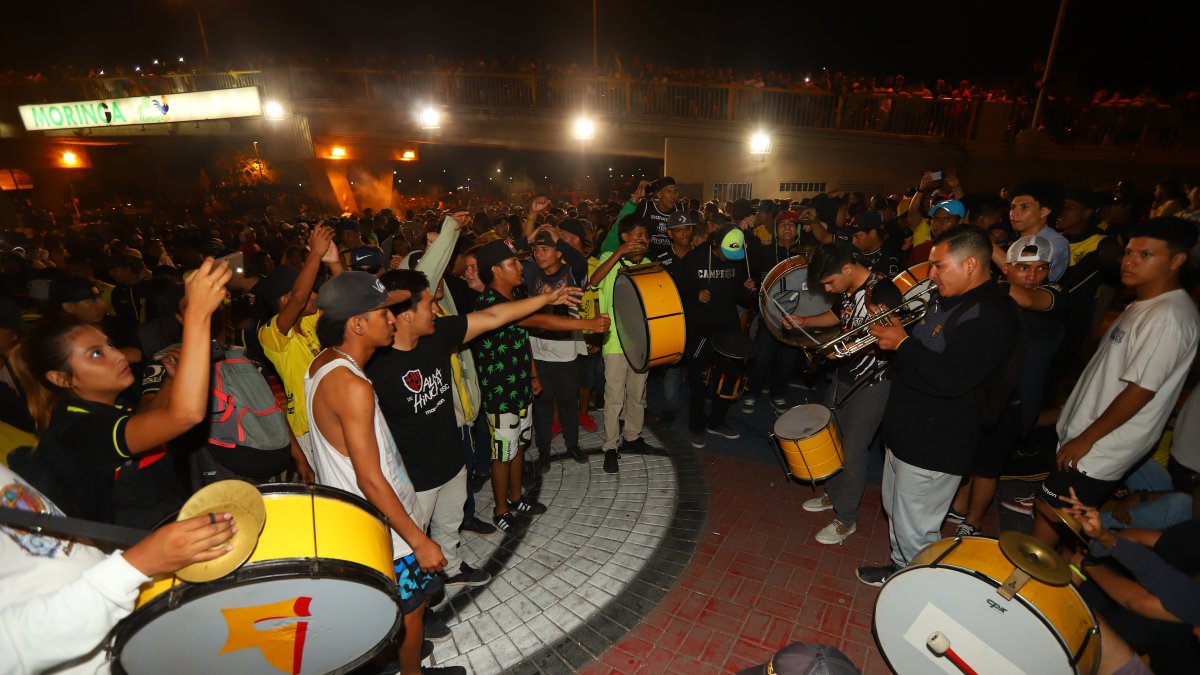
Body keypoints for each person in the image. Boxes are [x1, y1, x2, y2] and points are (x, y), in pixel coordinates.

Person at [370, 267, 579, 587]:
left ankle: (451, 568)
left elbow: (495, 316)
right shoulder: (374, 363)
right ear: (407, 315)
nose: (436, 309)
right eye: (428, 304)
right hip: (412, 478)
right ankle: (413, 598)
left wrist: (547, 299)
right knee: (406, 546)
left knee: (449, 524)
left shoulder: (438, 334)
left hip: (451, 461)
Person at [302, 272, 462, 675]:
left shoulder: (323, 363)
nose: (393, 319)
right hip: (384, 531)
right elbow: (369, 478)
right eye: (383, 313)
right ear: (357, 324)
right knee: (411, 613)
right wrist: (418, 541)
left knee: (390, 614)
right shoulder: (352, 385)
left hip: (360, 522)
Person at [10, 259, 233, 529]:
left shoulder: (105, 407)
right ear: (61, 378)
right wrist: (198, 318)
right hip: (139, 546)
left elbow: (147, 421)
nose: (117, 356)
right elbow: (184, 416)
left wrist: (170, 382)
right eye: (96, 354)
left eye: (109, 346)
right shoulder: (75, 429)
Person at [857, 225, 1019, 585]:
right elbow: (925, 355)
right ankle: (900, 568)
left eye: (939, 266)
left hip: (936, 444)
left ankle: (919, 592)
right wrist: (895, 336)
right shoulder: (949, 300)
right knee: (898, 513)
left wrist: (902, 344)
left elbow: (952, 379)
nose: (930, 274)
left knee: (917, 530)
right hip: (910, 433)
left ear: (971, 264)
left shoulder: (991, 315)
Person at [1030, 217, 1199, 547]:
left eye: (1145, 254)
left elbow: (1140, 391)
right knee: (1061, 521)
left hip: (1100, 447)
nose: (1129, 261)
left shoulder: (1168, 318)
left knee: (1049, 520)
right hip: (1091, 438)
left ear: (1176, 260)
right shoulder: (1146, 303)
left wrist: (1086, 440)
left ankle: (1025, 579)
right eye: (1129, 252)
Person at [1, 463, 236, 675]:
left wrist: (137, 566)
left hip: (130, 610)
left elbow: (60, 551)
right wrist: (137, 564)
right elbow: (10, 650)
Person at [787, 241, 903, 545]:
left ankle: (846, 518)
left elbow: (890, 338)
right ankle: (834, 494)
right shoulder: (849, 289)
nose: (828, 289)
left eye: (829, 282)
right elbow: (840, 316)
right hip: (845, 376)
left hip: (872, 381)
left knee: (853, 452)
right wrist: (806, 321)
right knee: (832, 438)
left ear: (848, 269)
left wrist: (848, 348)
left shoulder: (884, 291)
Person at [948, 235, 1064, 536]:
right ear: (1008, 269)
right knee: (971, 456)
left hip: (1015, 402)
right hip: (988, 396)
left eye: (1041, 268)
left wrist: (976, 270)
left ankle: (972, 523)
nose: (1033, 276)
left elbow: (1025, 300)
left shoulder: (1051, 302)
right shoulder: (998, 301)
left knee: (987, 466)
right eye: (1024, 268)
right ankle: (959, 507)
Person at [471, 240, 551, 533]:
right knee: (502, 453)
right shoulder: (488, 304)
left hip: (520, 387)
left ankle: (516, 498)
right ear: (495, 270)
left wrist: (533, 375)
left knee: (519, 445)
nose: (520, 267)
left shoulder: (515, 296)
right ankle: (500, 509)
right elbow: (537, 322)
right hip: (500, 395)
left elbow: (524, 339)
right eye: (513, 263)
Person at [522, 229, 608, 473]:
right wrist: (531, 232)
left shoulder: (572, 272)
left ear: (559, 252)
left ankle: (572, 445)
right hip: (538, 351)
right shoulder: (530, 272)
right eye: (536, 250)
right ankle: (544, 451)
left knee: (569, 403)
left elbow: (580, 259)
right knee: (542, 407)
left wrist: (558, 238)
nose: (539, 254)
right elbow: (510, 252)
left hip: (566, 352)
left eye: (545, 249)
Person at [258, 223, 342, 466]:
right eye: (309, 292)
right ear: (284, 300)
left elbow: (346, 299)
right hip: (309, 428)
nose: (315, 295)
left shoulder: (310, 320)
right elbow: (299, 298)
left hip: (335, 415)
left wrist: (335, 263)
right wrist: (314, 254)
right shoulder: (270, 334)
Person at [673, 223, 757, 447]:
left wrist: (748, 290)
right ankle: (697, 426)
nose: (731, 258)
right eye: (726, 252)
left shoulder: (737, 260)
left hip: (728, 326)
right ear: (715, 243)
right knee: (697, 378)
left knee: (729, 376)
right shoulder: (693, 259)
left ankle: (717, 422)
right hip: (700, 328)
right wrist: (694, 296)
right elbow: (675, 291)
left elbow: (741, 298)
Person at [589, 216, 654, 473]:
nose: (644, 240)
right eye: (638, 235)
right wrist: (619, 253)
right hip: (615, 342)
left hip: (641, 342)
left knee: (637, 395)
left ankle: (632, 436)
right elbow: (594, 281)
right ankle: (610, 447)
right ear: (625, 237)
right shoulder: (609, 257)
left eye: (646, 236)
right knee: (614, 398)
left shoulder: (648, 264)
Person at [744, 210, 808, 415]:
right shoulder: (764, 252)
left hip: (795, 319)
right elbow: (749, 274)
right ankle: (752, 392)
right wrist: (749, 285)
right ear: (775, 230)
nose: (787, 227)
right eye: (782, 224)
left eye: (792, 224)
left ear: (797, 230)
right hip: (768, 317)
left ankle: (778, 394)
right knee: (761, 357)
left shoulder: (805, 254)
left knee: (787, 360)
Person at [998, 179, 1070, 283]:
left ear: (1044, 211)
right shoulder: (1018, 239)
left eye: (1024, 207)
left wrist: (987, 245)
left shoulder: (1055, 243)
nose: (1014, 213)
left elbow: (1033, 283)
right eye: (1013, 207)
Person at [906, 199, 963, 266]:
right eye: (936, 218)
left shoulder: (968, 251)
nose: (938, 223)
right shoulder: (921, 250)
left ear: (960, 222)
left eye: (946, 219)